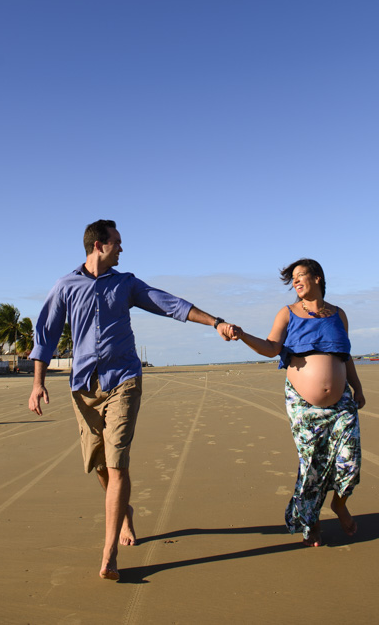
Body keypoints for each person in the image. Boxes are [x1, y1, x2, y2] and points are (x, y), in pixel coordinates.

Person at [28, 218, 235, 581]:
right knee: (100, 467)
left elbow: (168, 303)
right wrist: (37, 383)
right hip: (83, 388)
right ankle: (124, 512)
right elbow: (45, 334)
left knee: (118, 462)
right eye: (117, 242)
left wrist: (214, 321)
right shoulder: (66, 286)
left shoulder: (126, 284)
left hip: (124, 380)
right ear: (98, 245)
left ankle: (109, 556)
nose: (122, 248)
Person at [226, 258, 365, 547]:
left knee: (350, 461)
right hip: (302, 403)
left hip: (342, 403)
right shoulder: (287, 313)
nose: (295, 282)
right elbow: (271, 348)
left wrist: (357, 387)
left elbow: (345, 354)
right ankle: (310, 521)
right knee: (312, 463)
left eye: (301, 276)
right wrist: (242, 335)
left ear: (317, 278)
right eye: (293, 279)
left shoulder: (339, 314)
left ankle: (339, 504)